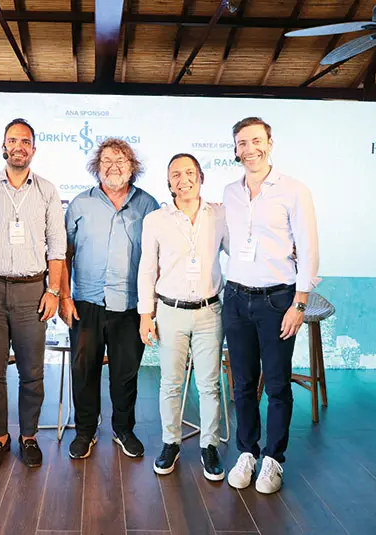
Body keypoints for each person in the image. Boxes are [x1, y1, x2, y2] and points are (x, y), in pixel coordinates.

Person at [223, 117, 319, 494]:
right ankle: (247, 451)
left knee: (277, 384)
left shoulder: (294, 190)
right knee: (243, 384)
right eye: (242, 143)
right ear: (235, 150)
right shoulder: (230, 192)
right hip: (235, 297)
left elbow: (308, 248)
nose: (250, 149)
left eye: (256, 141)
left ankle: (273, 459)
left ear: (270, 143)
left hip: (277, 300)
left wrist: (300, 303)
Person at [0, 118, 65, 469]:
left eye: (25, 141)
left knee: (32, 372)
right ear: (3, 147)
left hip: (32, 291)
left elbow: (57, 246)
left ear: (33, 150)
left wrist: (53, 290)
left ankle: (28, 437)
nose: (18, 147)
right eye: (13, 140)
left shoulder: (47, 191)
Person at [60, 138, 159, 460]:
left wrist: (152, 306)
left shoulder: (148, 205)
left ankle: (123, 429)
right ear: (96, 167)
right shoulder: (80, 204)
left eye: (120, 161)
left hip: (130, 305)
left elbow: (158, 257)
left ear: (132, 167)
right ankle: (85, 431)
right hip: (86, 303)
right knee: (83, 372)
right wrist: (64, 296)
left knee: (125, 374)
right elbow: (64, 254)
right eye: (106, 161)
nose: (113, 167)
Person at [138, 153, 228, 481]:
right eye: (175, 174)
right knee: (170, 383)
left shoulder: (220, 215)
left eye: (189, 172)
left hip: (209, 312)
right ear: (168, 182)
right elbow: (147, 269)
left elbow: (240, 252)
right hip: (170, 312)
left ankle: (209, 445)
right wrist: (145, 314)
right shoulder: (156, 220)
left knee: (209, 385)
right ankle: (170, 443)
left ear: (201, 177)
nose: (183, 179)